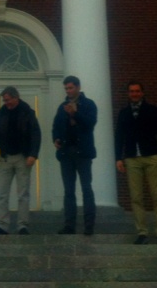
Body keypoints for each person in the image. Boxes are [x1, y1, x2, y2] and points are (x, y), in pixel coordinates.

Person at [115, 81, 157, 245]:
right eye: (132, 91)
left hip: (151, 156)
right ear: (128, 93)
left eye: (138, 91)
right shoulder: (124, 113)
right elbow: (119, 136)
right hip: (132, 158)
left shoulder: (152, 110)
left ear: (143, 93)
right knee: (136, 197)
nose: (135, 94)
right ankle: (142, 232)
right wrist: (118, 157)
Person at [0, 86, 41, 235]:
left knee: (23, 193)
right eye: (5, 100)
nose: (6, 103)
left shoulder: (28, 112)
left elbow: (36, 134)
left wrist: (33, 154)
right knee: (1, 193)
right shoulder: (1, 113)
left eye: (8, 100)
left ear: (16, 97)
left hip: (23, 157)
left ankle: (23, 225)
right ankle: (2, 225)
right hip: (5, 157)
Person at [52, 75, 97, 236]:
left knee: (86, 189)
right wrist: (56, 139)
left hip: (83, 153)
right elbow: (56, 126)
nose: (68, 91)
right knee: (69, 191)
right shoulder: (62, 106)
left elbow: (90, 124)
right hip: (66, 153)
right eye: (66, 88)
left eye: (70, 88)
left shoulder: (88, 104)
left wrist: (75, 114)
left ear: (78, 87)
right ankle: (69, 225)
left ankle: (89, 226)